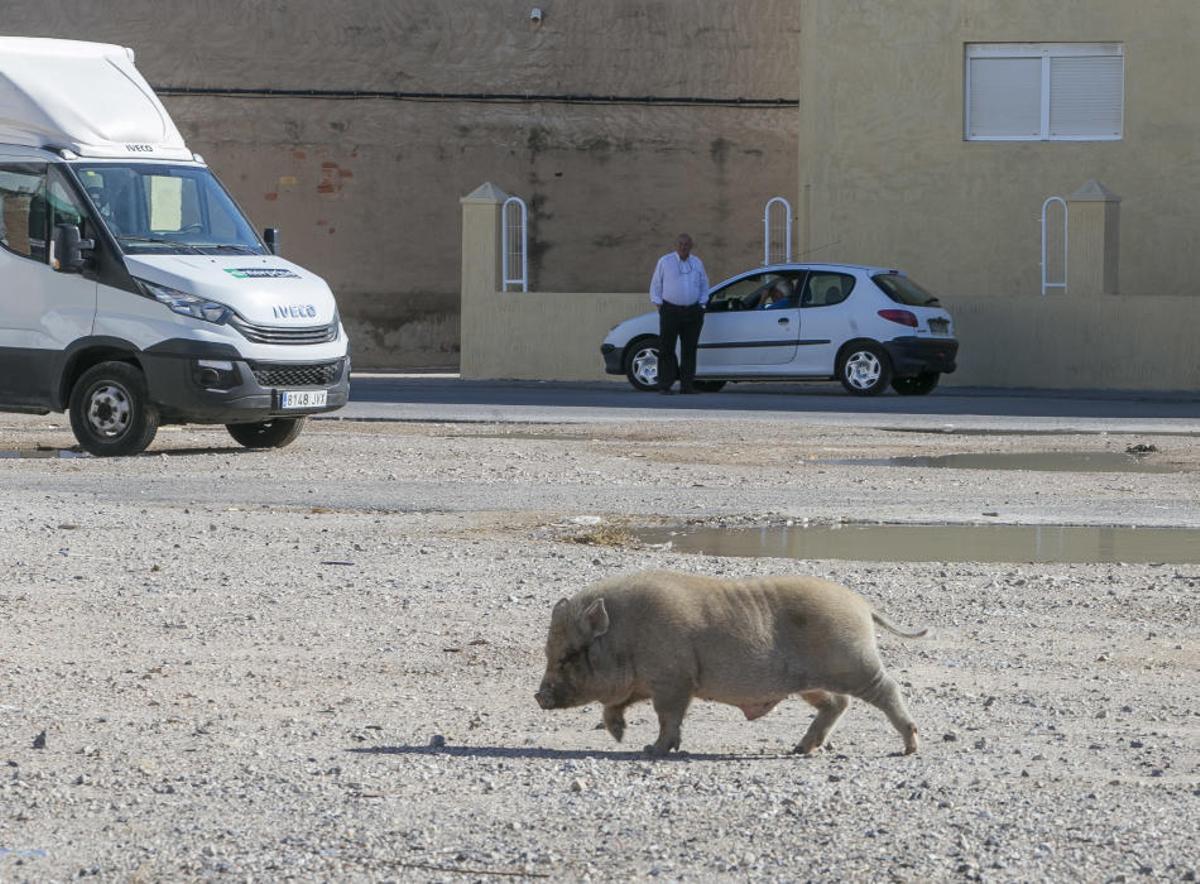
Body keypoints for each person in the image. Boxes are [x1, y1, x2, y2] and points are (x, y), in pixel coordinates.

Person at [649, 233, 709, 394]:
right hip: (670, 310)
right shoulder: (665, 261)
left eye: (687, 244)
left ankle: (686, 385)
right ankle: (665, 385)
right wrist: (659, 305)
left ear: (691, 246)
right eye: (681, 244)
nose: (684, 247)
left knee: (689, 349)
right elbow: (656, 285)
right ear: (676, 245)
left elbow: (704, 284)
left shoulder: (697, 263)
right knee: (666, 348)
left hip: (693, 311)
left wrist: (702, 304)